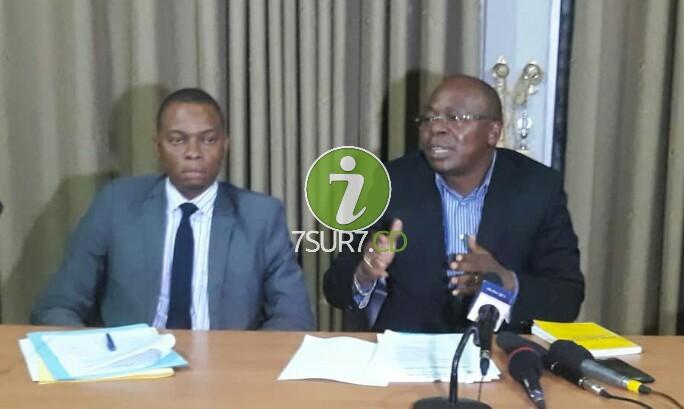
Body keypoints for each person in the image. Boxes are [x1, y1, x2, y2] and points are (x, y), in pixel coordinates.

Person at [31, 88, 313, 330]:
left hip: (227, 366)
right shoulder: (117, 204)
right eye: (178, 140)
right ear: (158, 146)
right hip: (132, 366)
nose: (193, 152)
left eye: (208, 140)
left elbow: (293, 318)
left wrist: (240, 362)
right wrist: (98, 355)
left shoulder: (261, 216)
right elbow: (57, 306)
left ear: (225, 144)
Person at [323, 75, 584, 333]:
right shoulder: (387, 184)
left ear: (493, 132)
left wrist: (504, 281)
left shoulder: (537, 188)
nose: (436, 128)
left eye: (455, 118)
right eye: (429, 119)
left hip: (501, 350)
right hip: (407, 348)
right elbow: (335, 287)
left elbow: (567, 296)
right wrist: (365, 273)